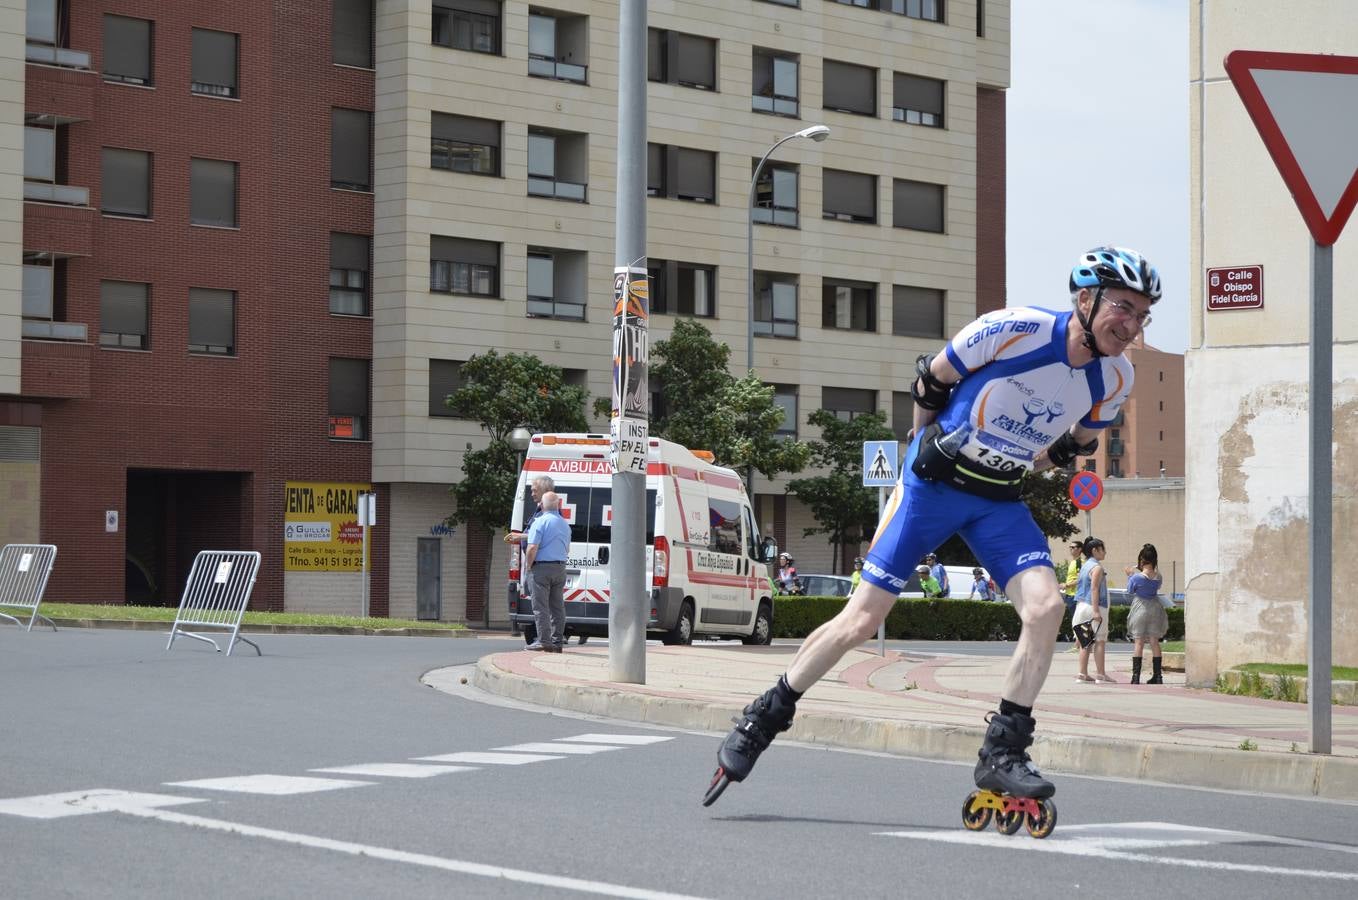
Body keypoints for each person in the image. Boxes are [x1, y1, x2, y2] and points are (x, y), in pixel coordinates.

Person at [702, 245, 1160, 808]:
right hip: (931, 488)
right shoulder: (1015, 328)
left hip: (997, 500)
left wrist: (1022, 464)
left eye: (1142, 315)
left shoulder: (1116, 376)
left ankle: (1003, 751)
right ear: (1085, 300)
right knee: (862, 621)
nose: (1131, 324)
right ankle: (762, 719)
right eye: (1123, 307)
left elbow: (1079, 442)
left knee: (1046, 608)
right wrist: (921, 450)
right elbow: (930, 384)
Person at [523, 491, 570, 652]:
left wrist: (529, 566)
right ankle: (557, 642)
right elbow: (567, 548)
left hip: (541, 569)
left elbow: (532, 547)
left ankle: (544, 641)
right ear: (558, 505)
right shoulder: (565, 524)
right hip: (560, 567)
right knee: (558, 607)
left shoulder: (540, 522)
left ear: (541, 505)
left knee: (540, 606)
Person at [1124, 543, 1168, 684]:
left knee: (1139, 642)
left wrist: (1130, 575)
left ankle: (1135, 677)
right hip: (1155, 608)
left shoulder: (1137, 577)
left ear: (1141, 559)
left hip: (1140, 608)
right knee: (1154, 642)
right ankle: (1158, 676)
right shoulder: (1158, 576)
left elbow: (1130, 590)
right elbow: (1157, 585)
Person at [1072, 537, 1114, 683]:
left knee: (1085, 642)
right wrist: (1096, 611)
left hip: (1081, 607)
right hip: (1094, 607)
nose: (1105, 552)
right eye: (1103, 549)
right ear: (1095, 550)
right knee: (1100, 641)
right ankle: (1101, 675)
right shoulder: (1097, 568)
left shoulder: (1084, 566)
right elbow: (1094, 588)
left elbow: (1079, 584)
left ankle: (1082, 674)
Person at [1056, 540, 1084, 641]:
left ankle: (1082, 644)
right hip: (1069, 595)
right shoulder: (1073, 562)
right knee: (1075, 620)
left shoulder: (1079, 562)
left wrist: (1066, 584)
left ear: (1080, 549)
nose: (1071, 549)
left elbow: (1080, 579)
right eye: (1070, 547)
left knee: (1078, 621)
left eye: (1073, 547)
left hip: (1075, 595)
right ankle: (1079, 643)